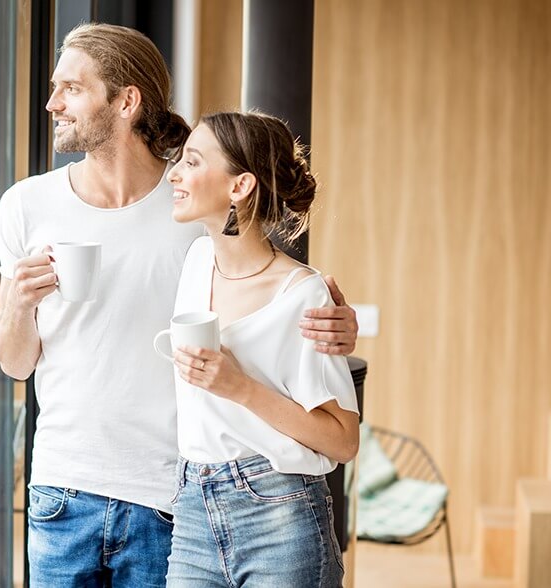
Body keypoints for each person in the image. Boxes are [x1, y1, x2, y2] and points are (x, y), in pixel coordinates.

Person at [0, 23, 359, 586]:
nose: (51, 103)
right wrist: (17, 304)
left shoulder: (191, 211)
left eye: (71, 87)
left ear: (126, 101)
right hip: (63, 490)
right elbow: (16, 364)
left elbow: (265, 284)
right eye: (53, 86)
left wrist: (335, 321)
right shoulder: (27, 205)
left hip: (169, 496)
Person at [163, 111, 359, 586]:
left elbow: (342, 439)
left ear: (240, 186)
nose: (175, 173)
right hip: (192, 510)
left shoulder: (303, 294)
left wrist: (239, 387)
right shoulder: (196, 261)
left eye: (192, 161)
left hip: (280, 513)